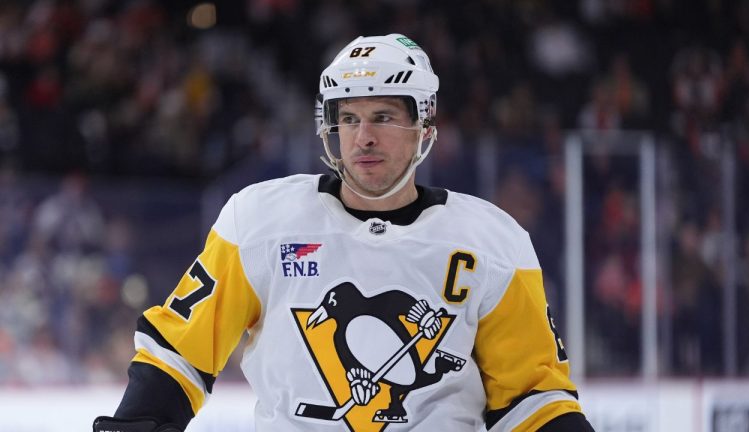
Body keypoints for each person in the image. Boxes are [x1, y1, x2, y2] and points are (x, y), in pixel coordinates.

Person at [94, 33, 594, 432]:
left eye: (382, 118)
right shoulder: (259, 223)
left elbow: (534, 400)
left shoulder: (493, 243)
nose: (363, 137)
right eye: (349, 118)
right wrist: (138, 423)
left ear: (424, 126)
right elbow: (182, 352)